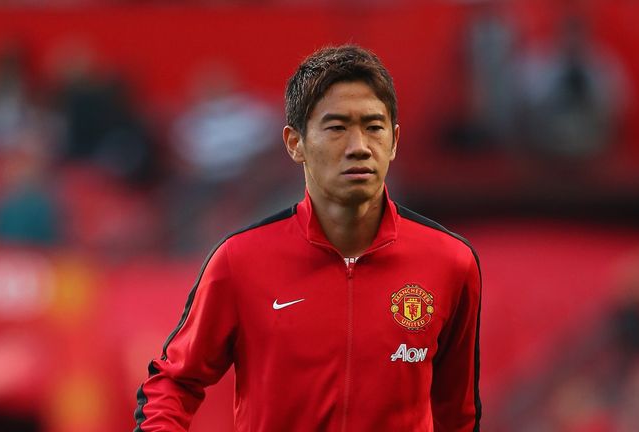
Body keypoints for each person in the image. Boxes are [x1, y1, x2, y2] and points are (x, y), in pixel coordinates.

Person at [134, 45, 482, 431]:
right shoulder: (240, 261)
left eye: (374, 127)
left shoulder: (451, 262)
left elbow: (459, 413)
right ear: (294, 143)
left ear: (395, 141)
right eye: (336, 128)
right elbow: (173, 381)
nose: (359, 147)